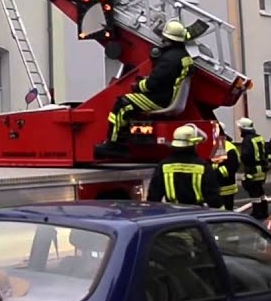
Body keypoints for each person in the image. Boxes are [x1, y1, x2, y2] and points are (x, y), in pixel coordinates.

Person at [96, 20, 195, 158]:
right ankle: (121, 139)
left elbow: (152, 84)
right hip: (168, 96)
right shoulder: (182, 56)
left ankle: (114, 145)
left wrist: (138, 85)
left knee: (122, 104)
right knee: (129, 105)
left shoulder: (169, 60)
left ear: (168, 39)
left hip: (160, 99)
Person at [146, 123, 220, 207]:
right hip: (198, 213)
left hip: (172, 214)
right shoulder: (203, 167)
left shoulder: (163, 165)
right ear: (194, 144)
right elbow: (214, 199)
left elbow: (153, 197)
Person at [237, 117, 270, 219]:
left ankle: (257, 212)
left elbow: (246, 156)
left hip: (252, 169)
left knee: (254, 192)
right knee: (260, 192)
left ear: (244, 129)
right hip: (262, 169)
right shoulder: (259, 138)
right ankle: (264, 211)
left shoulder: (247, 140)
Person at [213, 123, 241, 210]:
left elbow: (231, 167)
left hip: (226, 186)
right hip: (216, 186)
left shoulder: (228, 147)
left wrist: (214, 174)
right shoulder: (216, 145)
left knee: (227, 209)